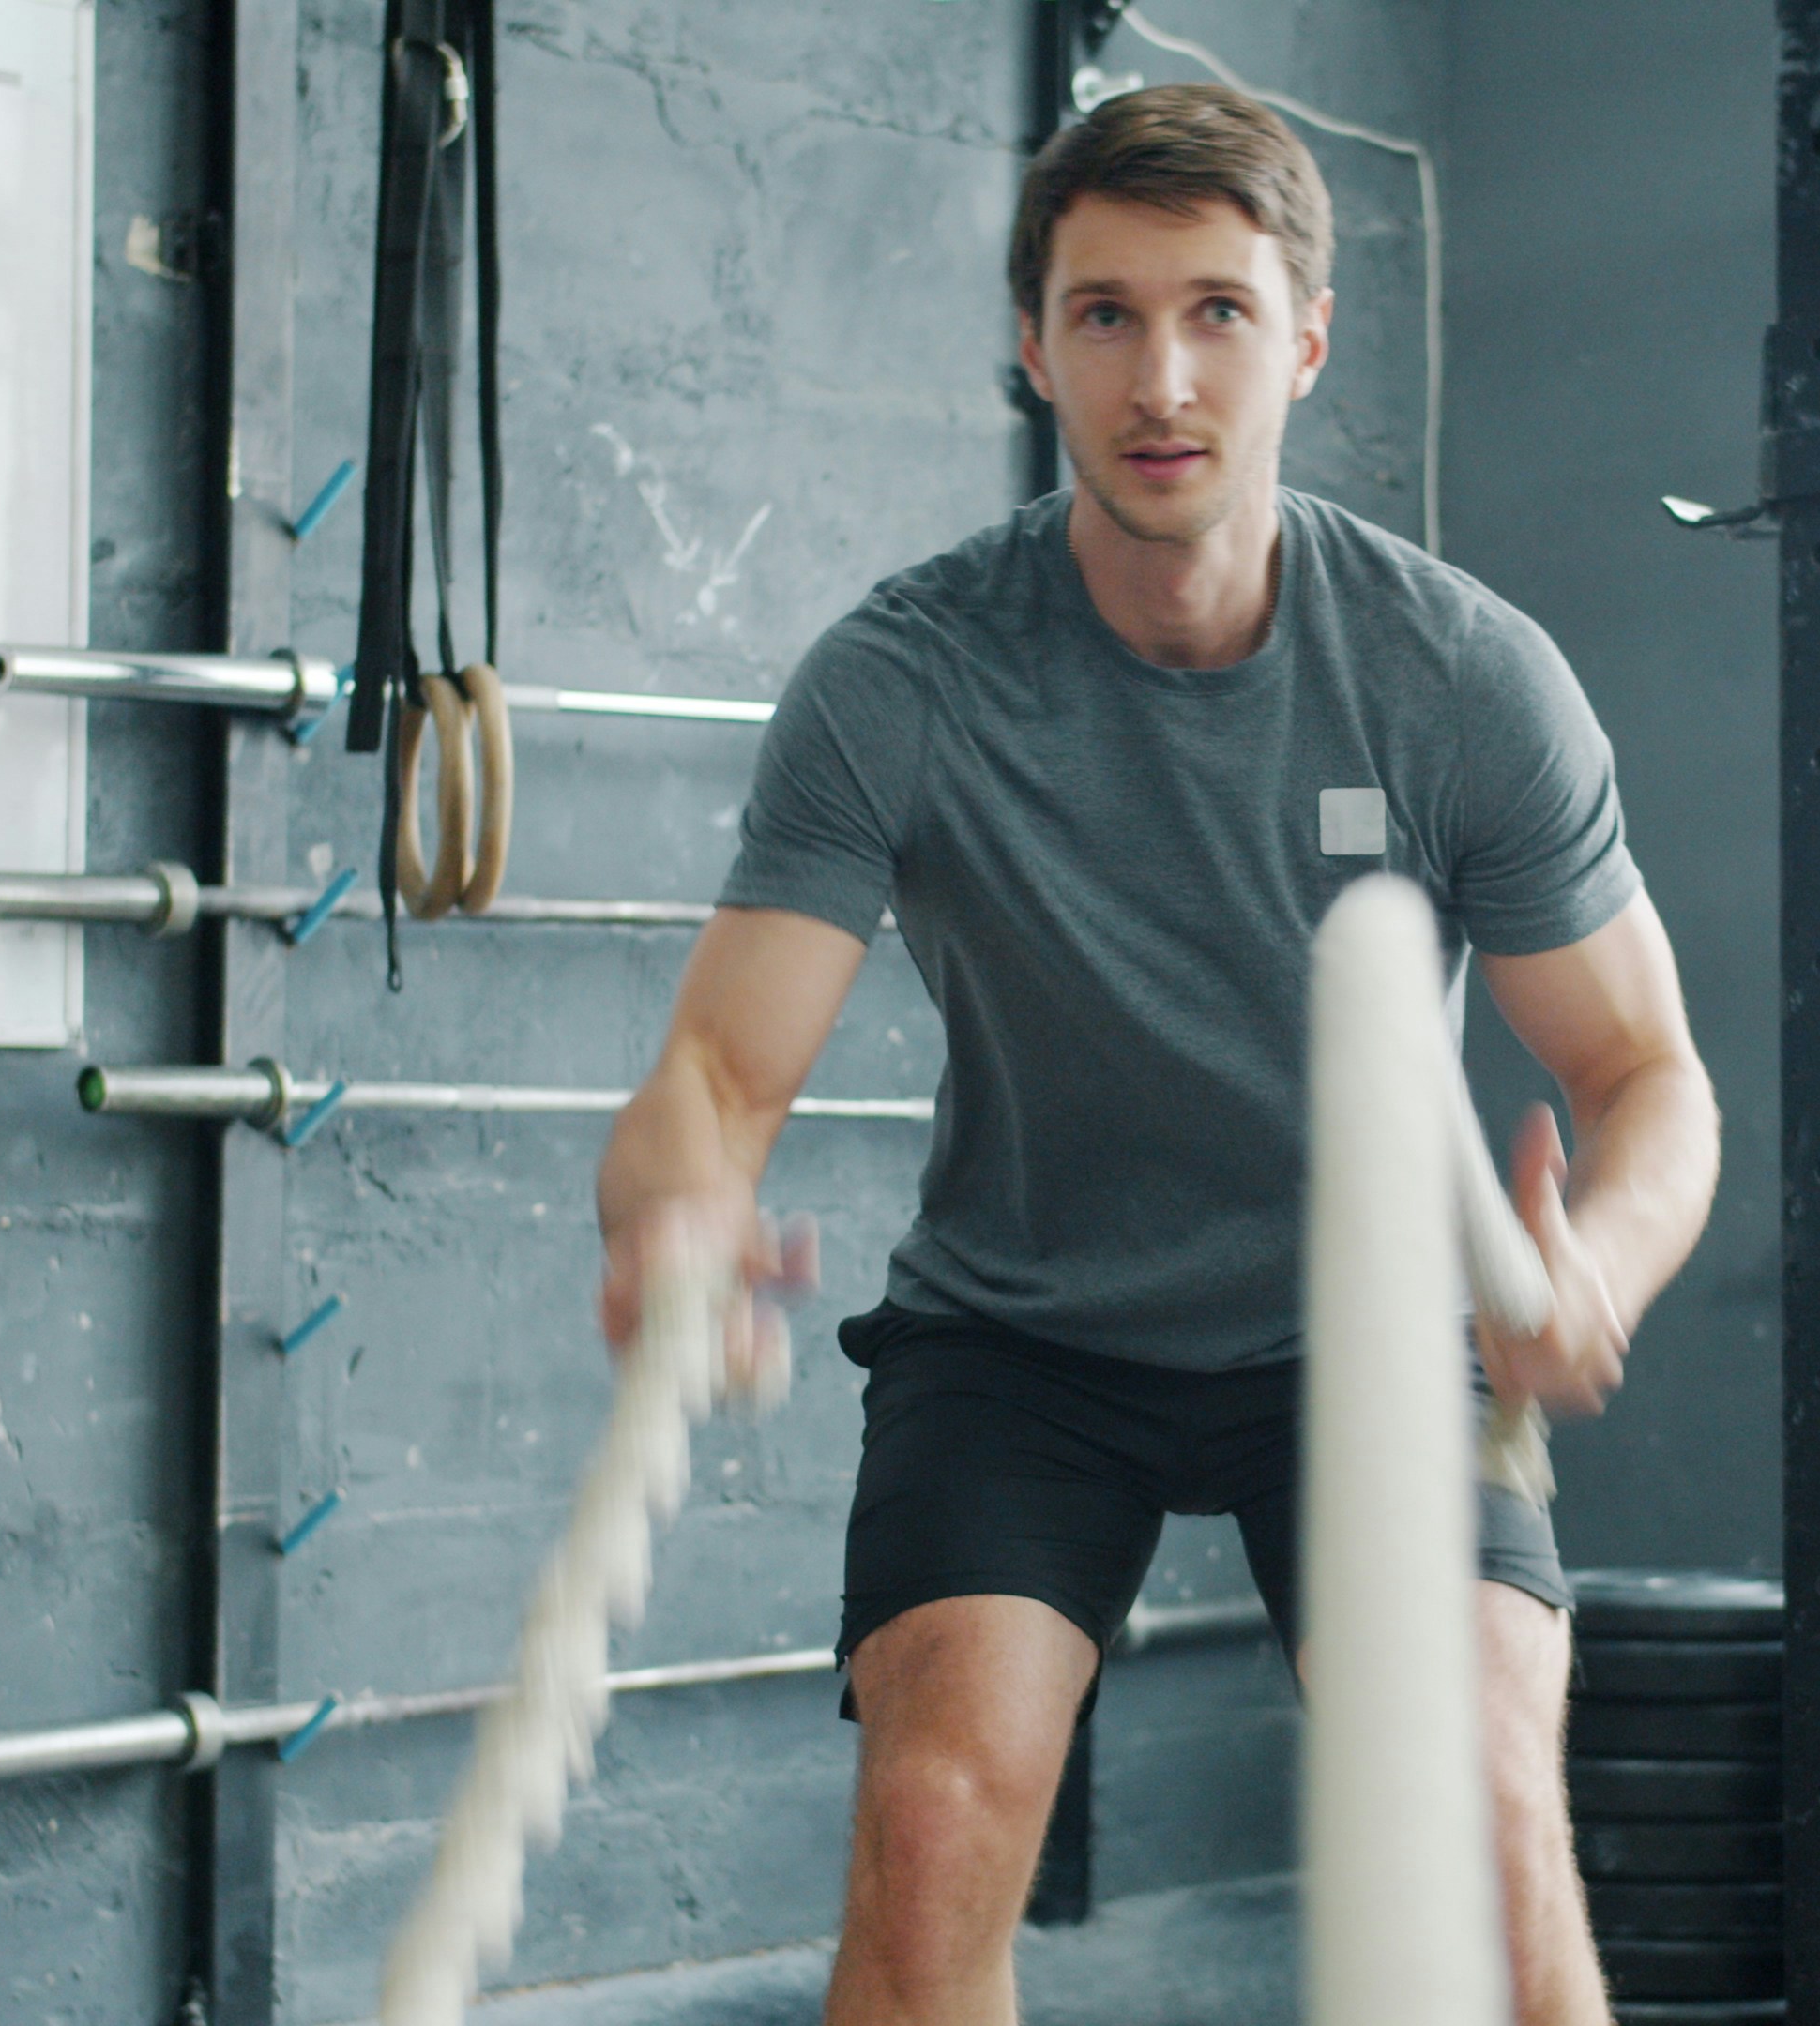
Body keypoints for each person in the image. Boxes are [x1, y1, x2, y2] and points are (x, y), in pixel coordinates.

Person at [595, 81, 1720, 2026]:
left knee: (1484, 1807)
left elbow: (1649, 1079)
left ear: (1306, 339)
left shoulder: (1458, 679)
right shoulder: (909, 681)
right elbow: (713, 1078)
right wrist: (679, 1219)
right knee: (935, 1828)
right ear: (1033, 348)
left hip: (1380, 1330)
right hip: (1029, 1339)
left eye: (1216, 309)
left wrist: (1589, 1279)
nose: (1162, 375)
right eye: (1105, 315)